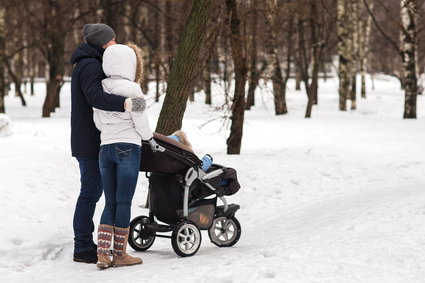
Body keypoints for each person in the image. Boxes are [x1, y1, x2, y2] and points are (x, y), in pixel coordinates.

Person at [70, 23, 145, 264]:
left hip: (95, 139)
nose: (115, 45)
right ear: (103, 42)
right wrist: (126, 104)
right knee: (90, 193)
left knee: (94, 192)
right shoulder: (90, 65)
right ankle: (82, 246)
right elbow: (95, 98)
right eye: (112, 41)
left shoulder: (91, 63)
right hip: (92, 141)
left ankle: (91, 244)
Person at [94, 43, 156, 269]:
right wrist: (149, 137)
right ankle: (120, 254)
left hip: (105, 149)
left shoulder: (99, 88)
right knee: (123, 202)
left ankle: (102, 254)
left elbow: (98, 121)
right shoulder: (133, 90)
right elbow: (141, 122)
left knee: (109, 202)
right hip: (128, 148)